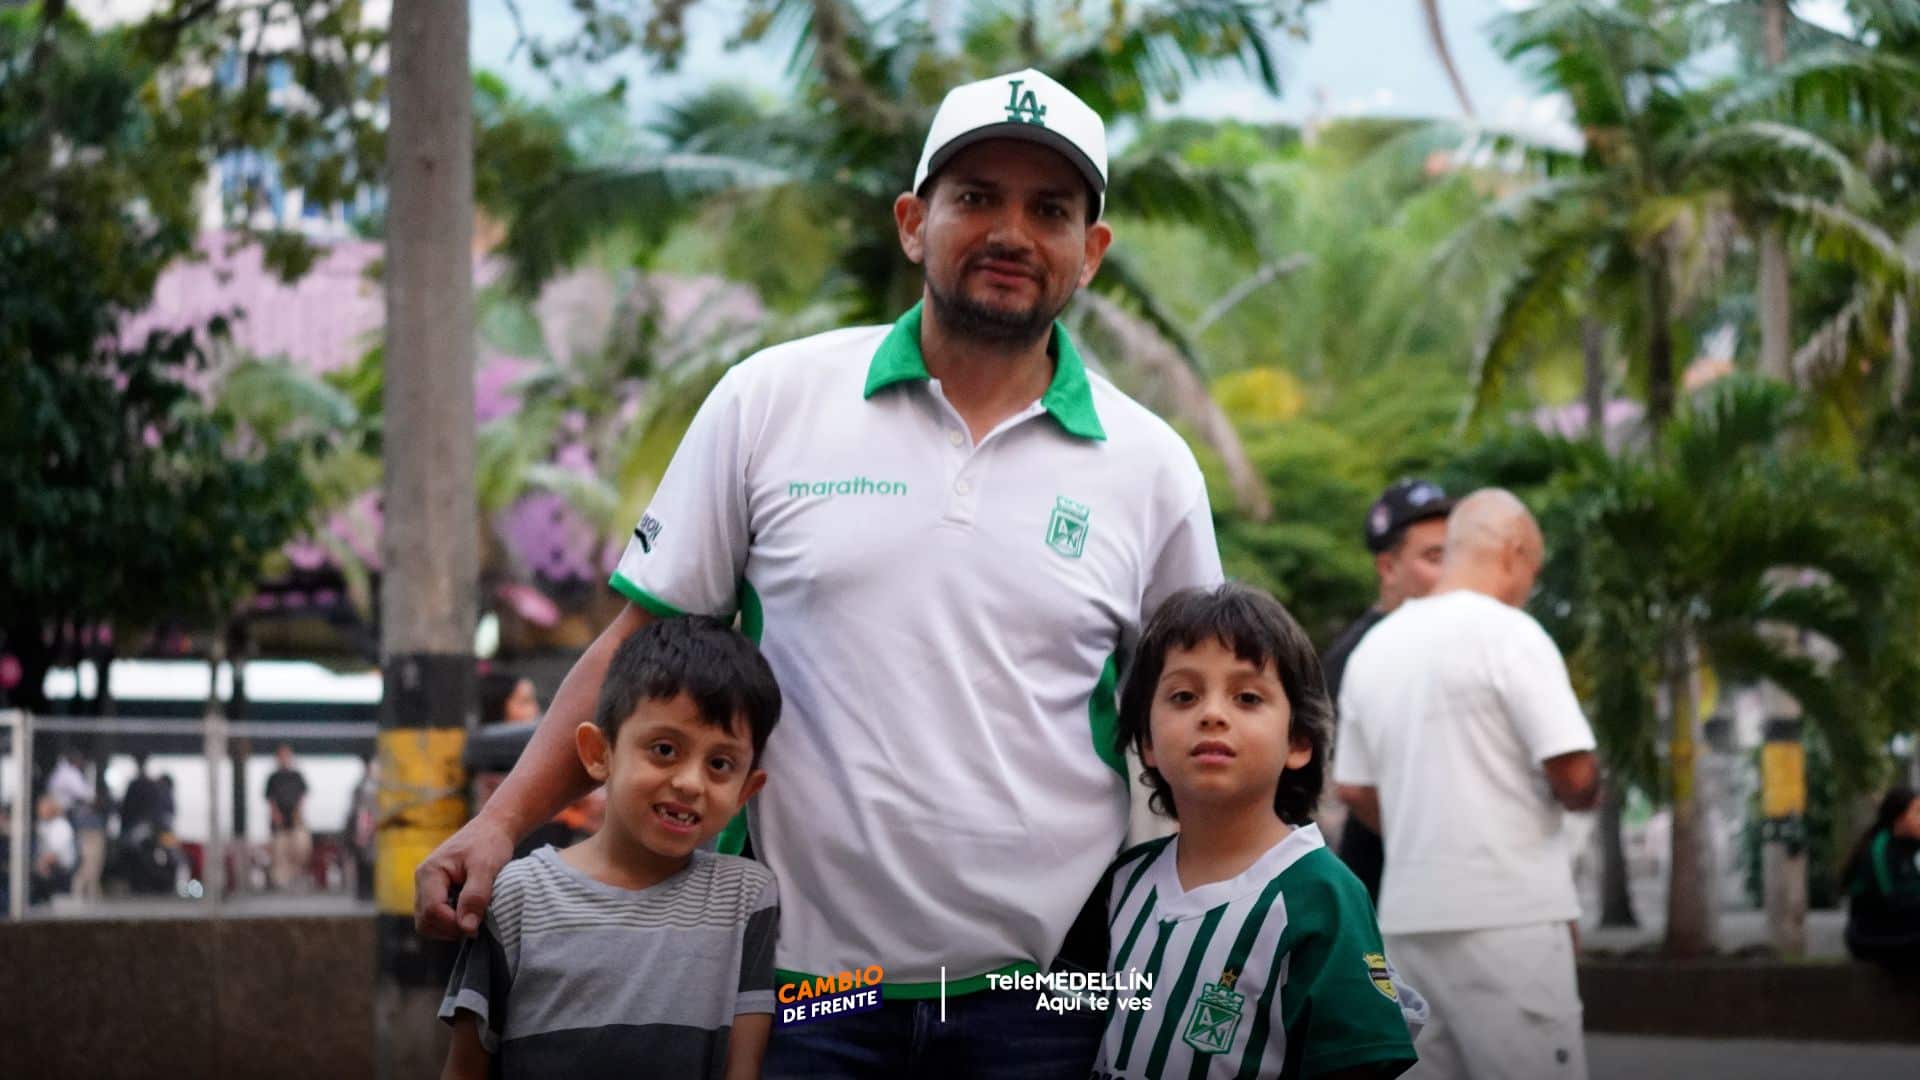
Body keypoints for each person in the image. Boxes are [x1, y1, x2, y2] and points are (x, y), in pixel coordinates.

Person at [416, 66, 1222, 1076]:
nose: (1012, 232)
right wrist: (497, 826)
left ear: (1091, 252)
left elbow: (1205, 713)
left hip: (1053, 991)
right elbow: (638, 646)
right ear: (913, 224)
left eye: (1050, 210)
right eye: (977, 197)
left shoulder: (1151, 467)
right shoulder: (772, 401)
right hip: (803, 987)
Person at [1096, 584, 1422, 1079]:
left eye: (1247, 697)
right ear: (1147, 743)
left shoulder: (1321, 896)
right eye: (1183, 696)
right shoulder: (1122, 883)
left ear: (1298, 741)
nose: (1212, 713)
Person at [439, 615, 783, 1080]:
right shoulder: (518, 897)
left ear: (746, 790)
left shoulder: (745, 899)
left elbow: (744, 1068)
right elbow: (465, 1068)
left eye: (720, 764)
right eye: (665, 750)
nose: (689, 783)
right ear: (599, 753)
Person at [1333, 489, 1600, 1080]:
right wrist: (1585, 790)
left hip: (1407, 921)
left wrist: (1420, 830)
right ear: (1513, 551)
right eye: (1532, 570)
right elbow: (1575, 771)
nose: (1528, 586)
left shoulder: (1374, 649)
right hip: (1510, 919)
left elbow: (1353, 789)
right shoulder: (1511, 633)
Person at [1322, 479, 1452, 901]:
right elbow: (1342, 788)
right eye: (1434, 557)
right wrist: (1426, 846)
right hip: (1379, 882)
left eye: (1456, 555)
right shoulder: (1354, 657)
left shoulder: (1459, 640)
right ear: (1388, 568)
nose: (1450, 572)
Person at [1842, 787, 1920, 972]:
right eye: (1917, 813)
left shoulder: (1912, 849)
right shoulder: (1880, 847)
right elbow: (1893, 900)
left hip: (1903, 929)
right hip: (1871, 936)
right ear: (1899, 818)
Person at [48, 748, 106, 903]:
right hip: (77, 819)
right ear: (75, 761)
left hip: (70, 819)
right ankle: (81, 888)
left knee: (86, 857)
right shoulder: (69, 774)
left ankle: (87, 888)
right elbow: (86, 795)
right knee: (90, 857)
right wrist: (96, 800)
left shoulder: (59, 774)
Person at [264, 743, 311, 891]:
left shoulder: (297, 776)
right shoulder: (273, 778)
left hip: (296, 820)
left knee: (301, 846)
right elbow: (270, 799)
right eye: (282, 756)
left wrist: (298, 812)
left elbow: (303, 796)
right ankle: (281, 882)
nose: (284, 758)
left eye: (287, 755)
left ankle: (296, 877)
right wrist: (275, 814)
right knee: (279, 851)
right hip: (279, 823)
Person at [31, 791, 77, 904]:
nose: (39, 810)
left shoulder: (61, 826)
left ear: (52, 808)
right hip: (45, 865)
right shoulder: (42, 824)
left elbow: (54, 855)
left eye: (43, 807)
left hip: (60, 870)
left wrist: (38, 865)